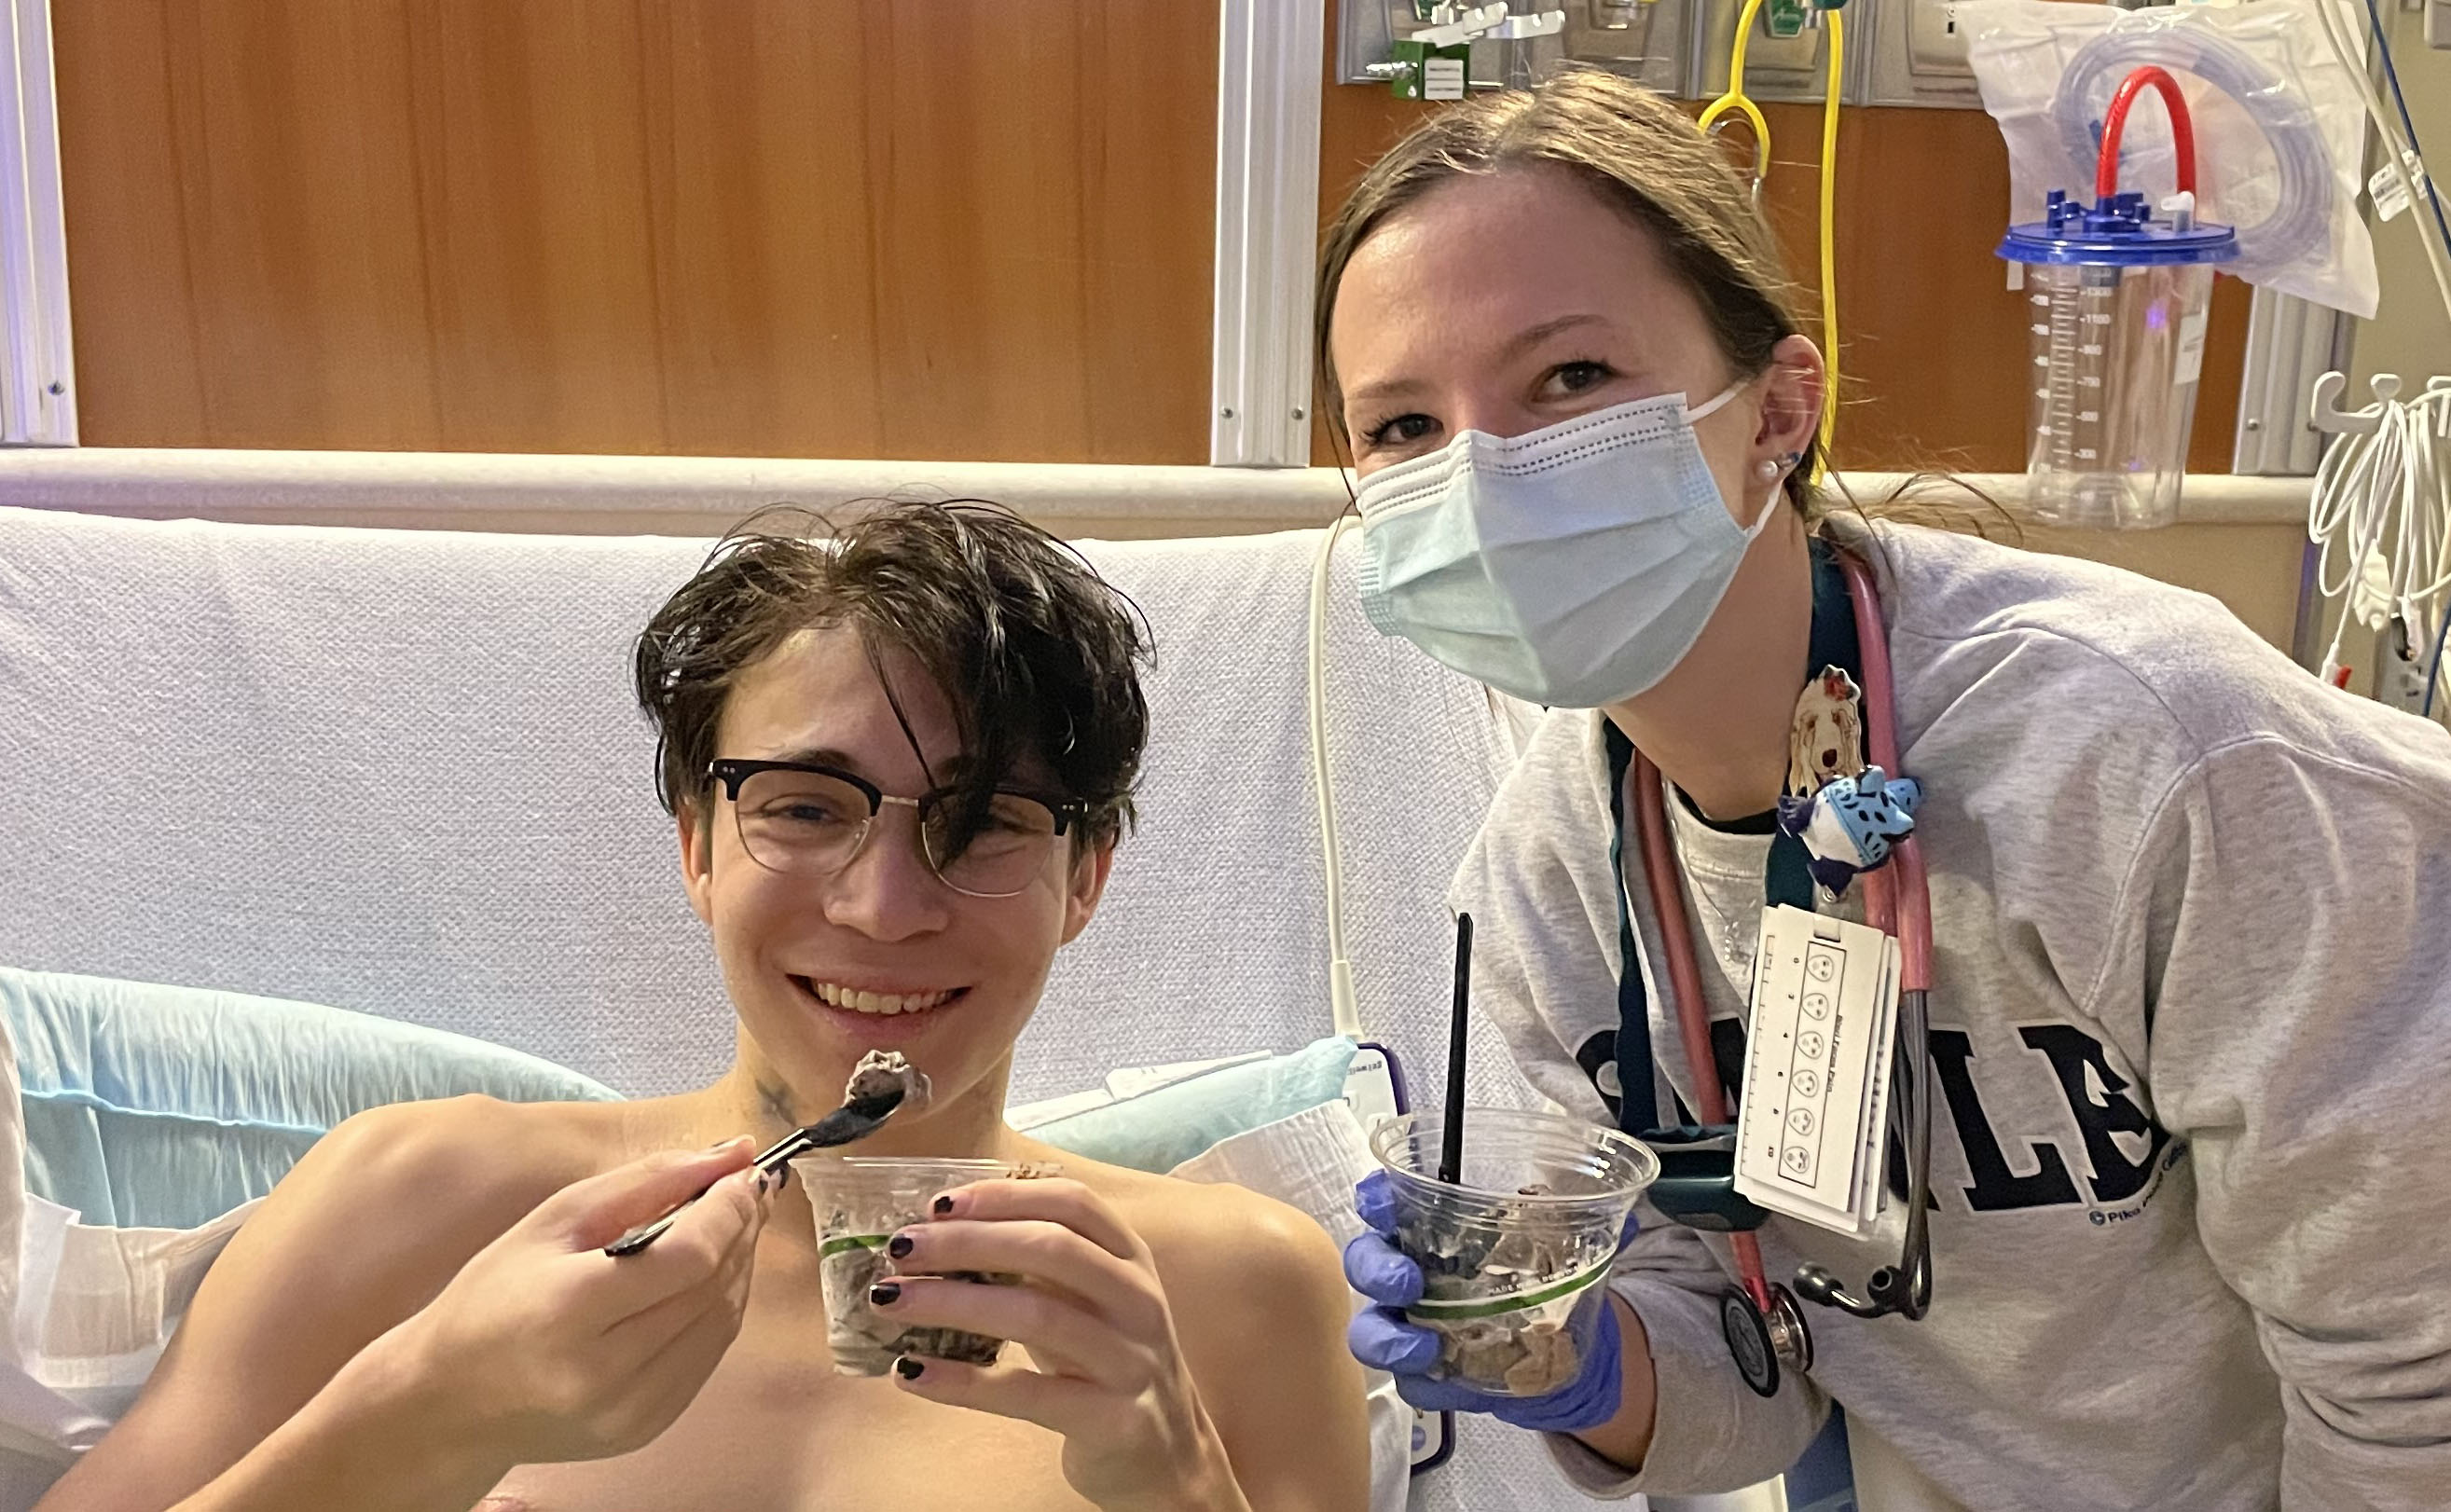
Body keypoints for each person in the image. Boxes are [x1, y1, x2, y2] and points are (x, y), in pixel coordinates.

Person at [1327, 66, 2451, 1509]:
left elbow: (2412, 1373)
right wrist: (1585, 1360)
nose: (1484, 478)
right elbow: (1767, 1377)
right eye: (1404, 428)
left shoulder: (2159, 762)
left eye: (1570, 378)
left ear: (1776, 410)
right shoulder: (1550, 880)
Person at [42, 502, 1369, 1512]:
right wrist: (430, 1408)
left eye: (983, 826)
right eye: (803, 806)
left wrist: (1187, 1489)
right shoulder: (416, 1199)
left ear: (1085, 877)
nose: (885, 906)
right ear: (697, 845)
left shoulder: (1231, 1289)